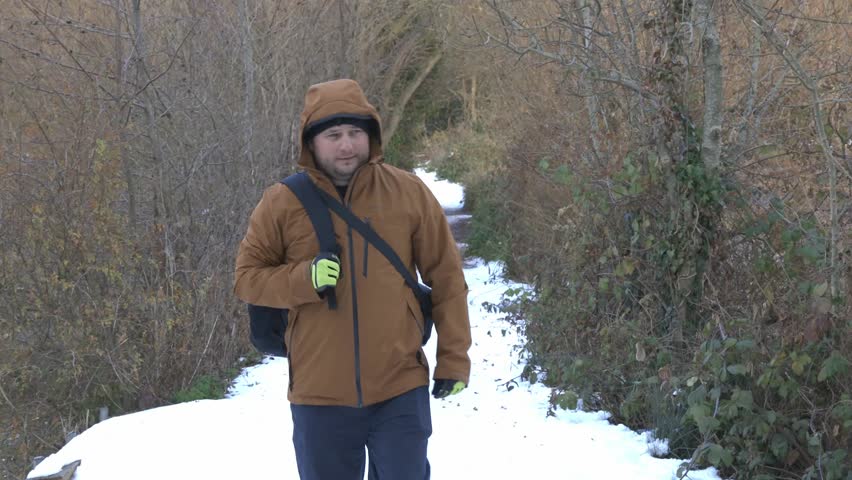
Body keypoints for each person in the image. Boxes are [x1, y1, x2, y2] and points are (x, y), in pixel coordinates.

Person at [233, 78, 472, 480]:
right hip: (318, 392)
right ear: (312, 141)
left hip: (400, 387)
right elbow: (247, 278)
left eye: (356, 133)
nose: (347, 145)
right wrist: (303, 279)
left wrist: (454, 359)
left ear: (371, 135)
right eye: (334, 135)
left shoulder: (407, 192)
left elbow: (447, 277)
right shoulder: (282, 202)